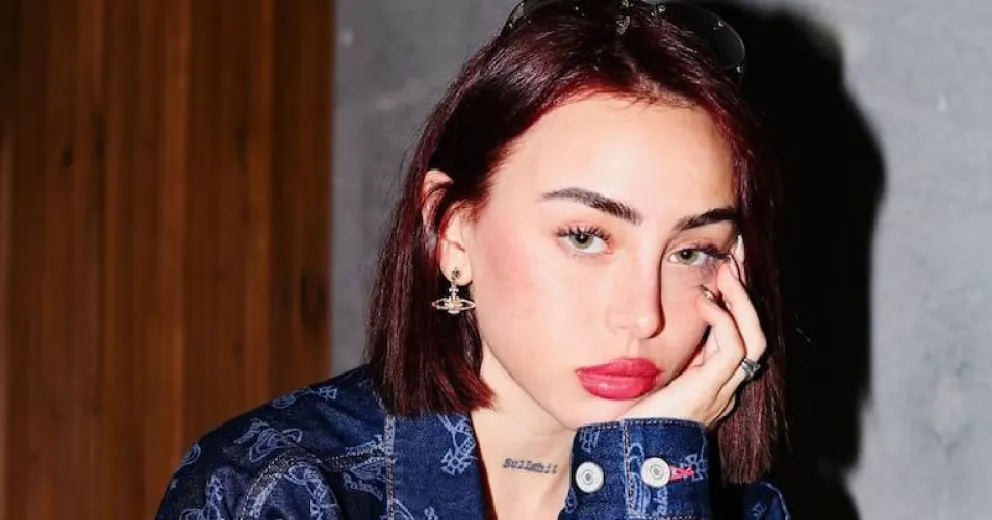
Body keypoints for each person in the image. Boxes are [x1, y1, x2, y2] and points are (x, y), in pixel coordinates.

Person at [156, 1, 790, 518]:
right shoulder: (282, 491)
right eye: (584, 237)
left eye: (691, 251)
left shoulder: (730, 507)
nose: (642, 317)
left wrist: (653, 475)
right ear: (454, 234)